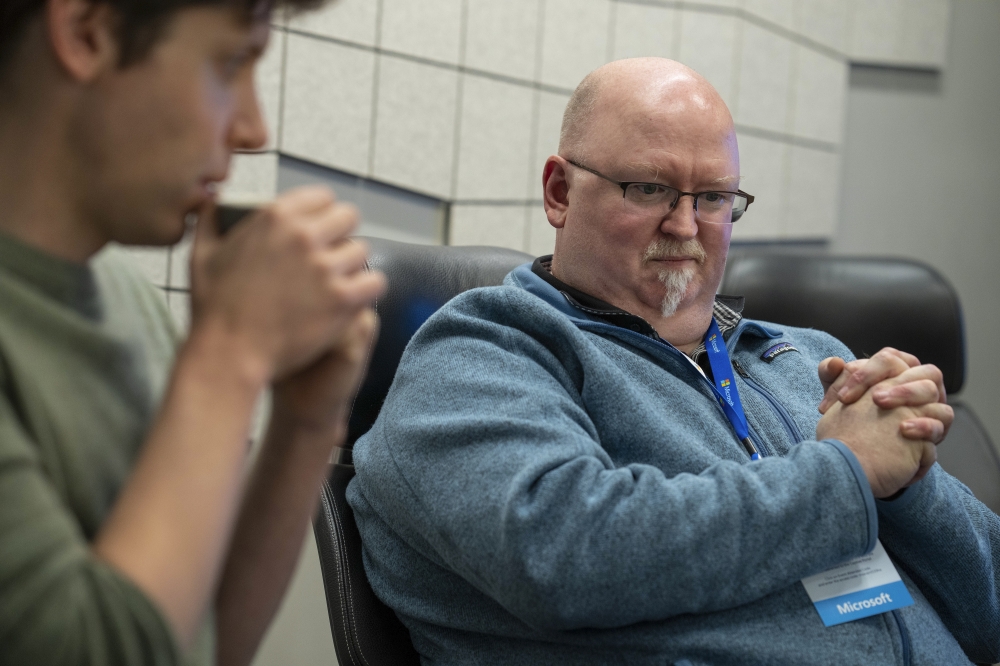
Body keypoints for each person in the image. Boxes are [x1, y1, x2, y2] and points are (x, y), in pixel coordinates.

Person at [348, 58, 1000, 665]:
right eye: (651, 188)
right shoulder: (483, 355)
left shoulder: (808, 358)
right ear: (559, 192)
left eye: (713, 198)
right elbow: (563, 557)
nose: (686, 226)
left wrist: (908, 480)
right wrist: (847, 473)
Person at [0, 1, 385, 665]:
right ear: (87, 30)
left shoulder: (122, 294)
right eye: (231, 62)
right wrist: (229, 351)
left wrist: (304, 416)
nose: (252, 127)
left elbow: (201, 643)